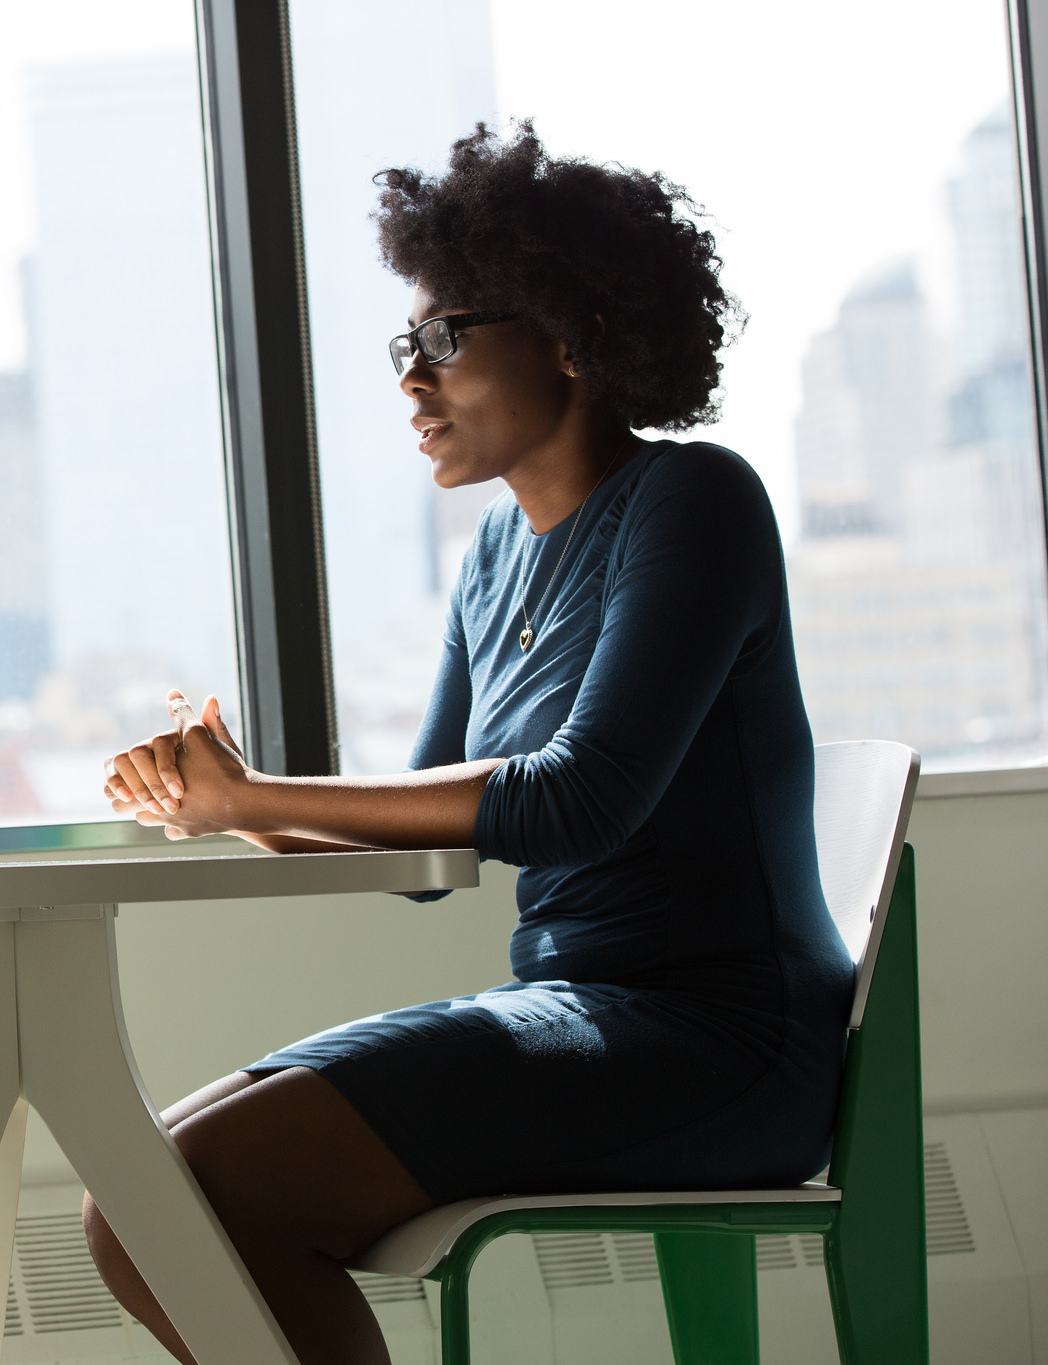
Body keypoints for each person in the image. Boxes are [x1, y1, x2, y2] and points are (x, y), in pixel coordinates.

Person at [93, 124, 850, 1365]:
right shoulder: (491, 561)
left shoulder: (693, 501)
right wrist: (217, 803)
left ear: (571, 332)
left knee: (193, 1196)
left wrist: (255, 795)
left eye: (441, 340)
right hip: (575, 1008)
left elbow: (578, 802)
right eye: (406, 345)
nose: (409, 381)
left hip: (718, 1041)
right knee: (141, 1197)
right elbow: (419, 843)